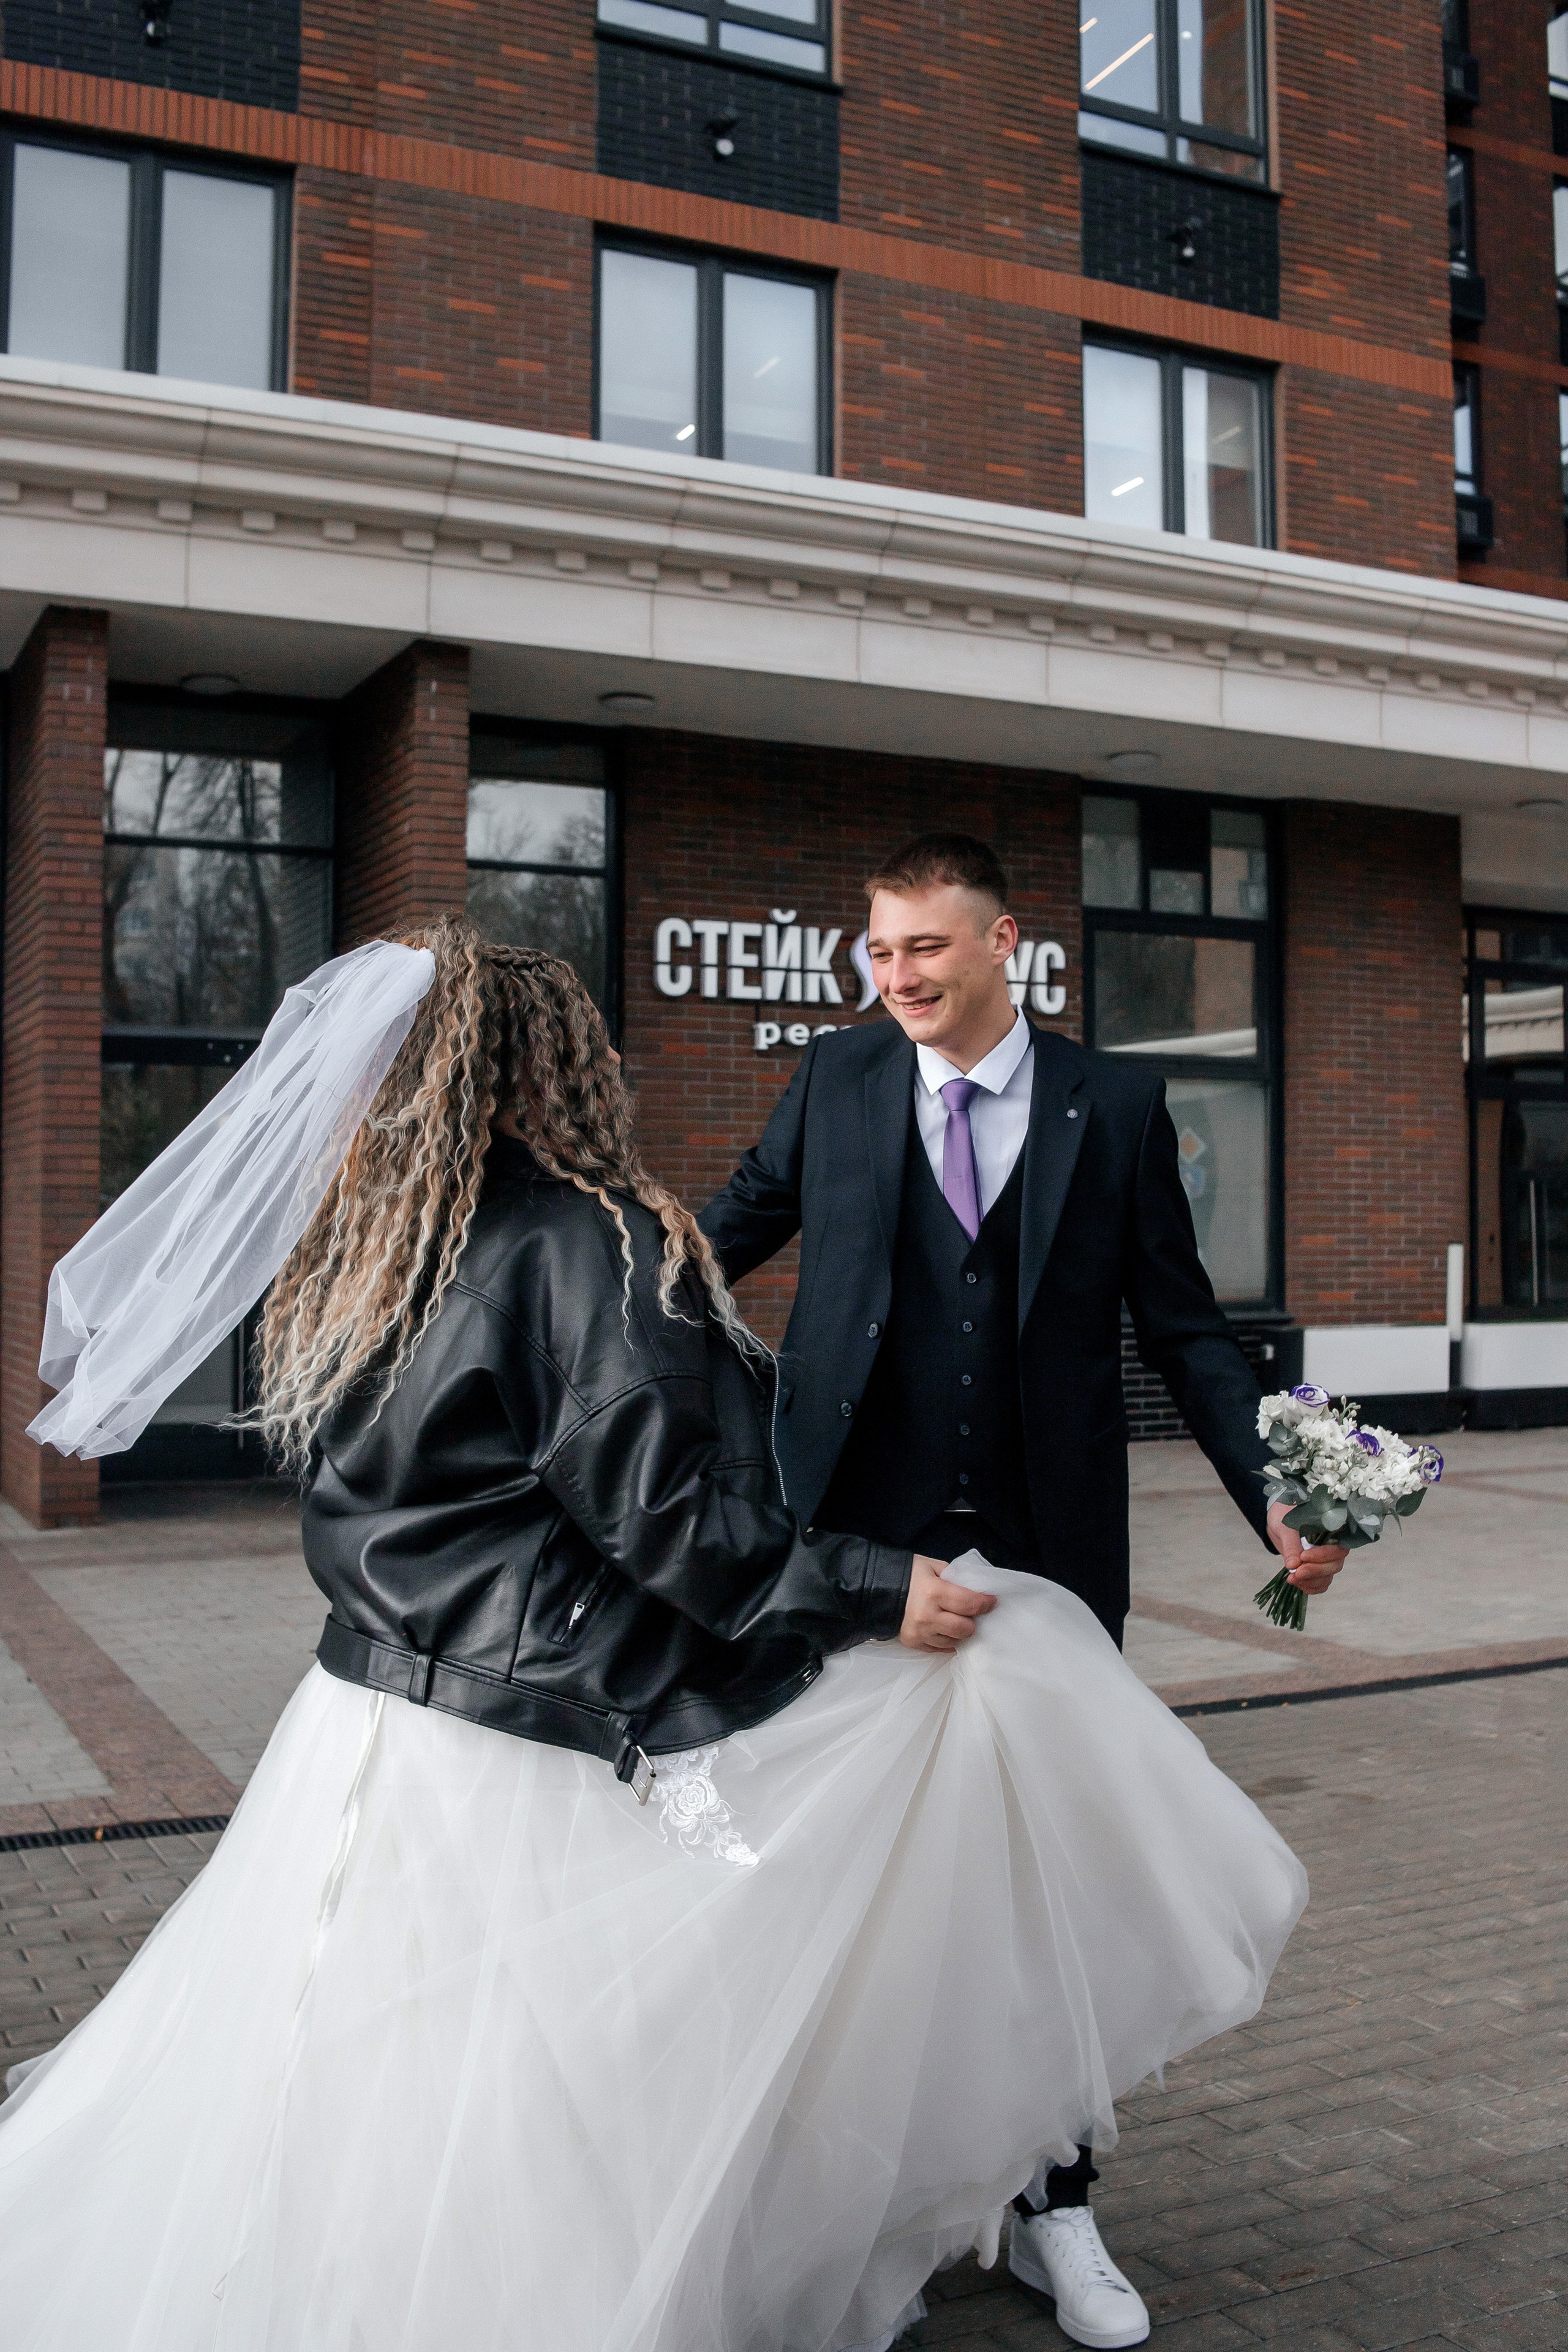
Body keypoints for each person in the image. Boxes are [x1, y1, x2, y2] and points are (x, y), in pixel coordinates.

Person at [0, 918, 1308, 2352]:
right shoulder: (590, 1239)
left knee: (348, 2046)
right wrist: (876, 1589)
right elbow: (668, 1513)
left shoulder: (376, 1242)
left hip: (364, 1726)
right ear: (542, 1065)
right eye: (591, 1041)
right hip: (520, 1737)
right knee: (551, 2056)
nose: (614, 1059)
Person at [699, 832, 1350, 2348]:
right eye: (879, 951)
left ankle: (1056, 2207)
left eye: (925, 948)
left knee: (1049, 1891)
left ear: (1006, 946)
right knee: (845, 1892)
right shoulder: (835, 1085)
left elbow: (1184, 1332)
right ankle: (871, 2203)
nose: (897, 977)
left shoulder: (1110, 1105)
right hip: (855, 1556)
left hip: (1050, 1558)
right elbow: (704, 1249)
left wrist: (1273, 1494)